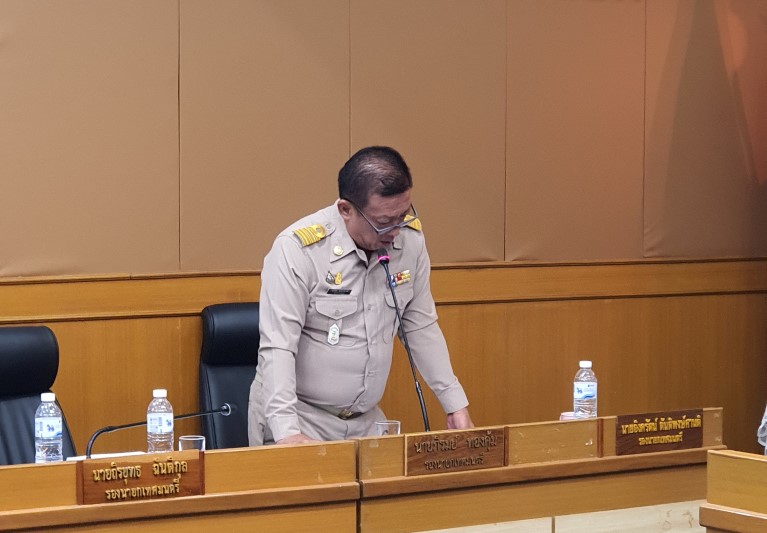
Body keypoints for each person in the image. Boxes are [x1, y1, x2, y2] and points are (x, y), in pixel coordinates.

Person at [248, 146, 473, 445]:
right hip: (301, 419)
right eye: (384, 222)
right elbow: (278, 347)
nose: (395, 230)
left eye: (404, 215)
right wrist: (287, 433)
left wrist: (454, 403)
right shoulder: (298, 250)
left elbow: (420, 326)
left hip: (367, 424)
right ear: (346, 209)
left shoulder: (410, 241)